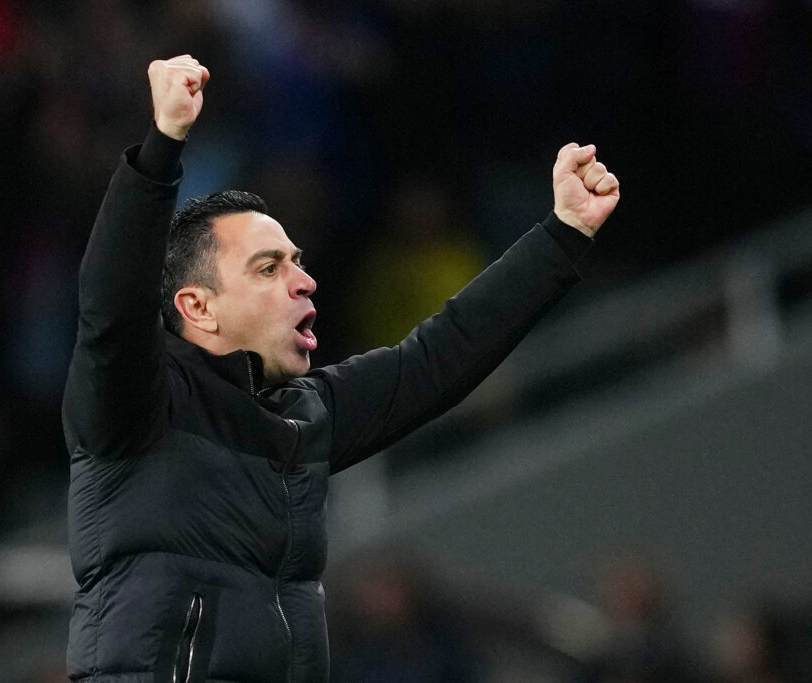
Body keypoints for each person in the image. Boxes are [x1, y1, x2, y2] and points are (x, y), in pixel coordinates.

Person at [62, 54, 620, 683]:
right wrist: (162, 146)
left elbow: (437, 358)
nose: (304, 280)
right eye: (270, 268)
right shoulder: (136, 401)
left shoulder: (305, 415)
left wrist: (564, 231)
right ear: (198, 307)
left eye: (297, 262)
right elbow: (109, 305)